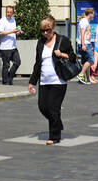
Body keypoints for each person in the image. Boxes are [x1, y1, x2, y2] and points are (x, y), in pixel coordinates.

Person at [28, 15, 76, 144]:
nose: (45, 33)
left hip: (58, 81)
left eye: (47, 30)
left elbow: (73, 57)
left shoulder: (63, 41)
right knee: (43, 107)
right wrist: (32, 81)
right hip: (44, 80)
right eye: (43, 30)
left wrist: (61, 54)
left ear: (53, 28)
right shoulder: (40, 42)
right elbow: (37, 63)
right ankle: (57, 123)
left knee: (53, 108)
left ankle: (54, 137)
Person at [0, 5, 21, 85]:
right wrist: (12, 31)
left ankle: (9, 77)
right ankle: (5, 81)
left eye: (10, 12)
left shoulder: (13, 20)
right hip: (5, 47)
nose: (9, 14)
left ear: (13, 13)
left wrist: (18, 32)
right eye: (7, 12)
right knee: (6, 65)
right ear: (5, 12)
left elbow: (15, 32)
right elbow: (0, 33)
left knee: (17, 62)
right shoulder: (2, 21)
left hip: (13, 46)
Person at [77, 8, 97, 85]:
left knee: (85, 61)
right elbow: (82, 33)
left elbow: (86, 34)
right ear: (90, 13)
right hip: (84, 43)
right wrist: (83, 44)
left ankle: (87, 78)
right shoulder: (84, 21)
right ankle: (81, 74)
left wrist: (89, 44)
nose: (94, 15)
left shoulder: (86, 21)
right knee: (91, 59)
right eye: (93, 13)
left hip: (87, 43)